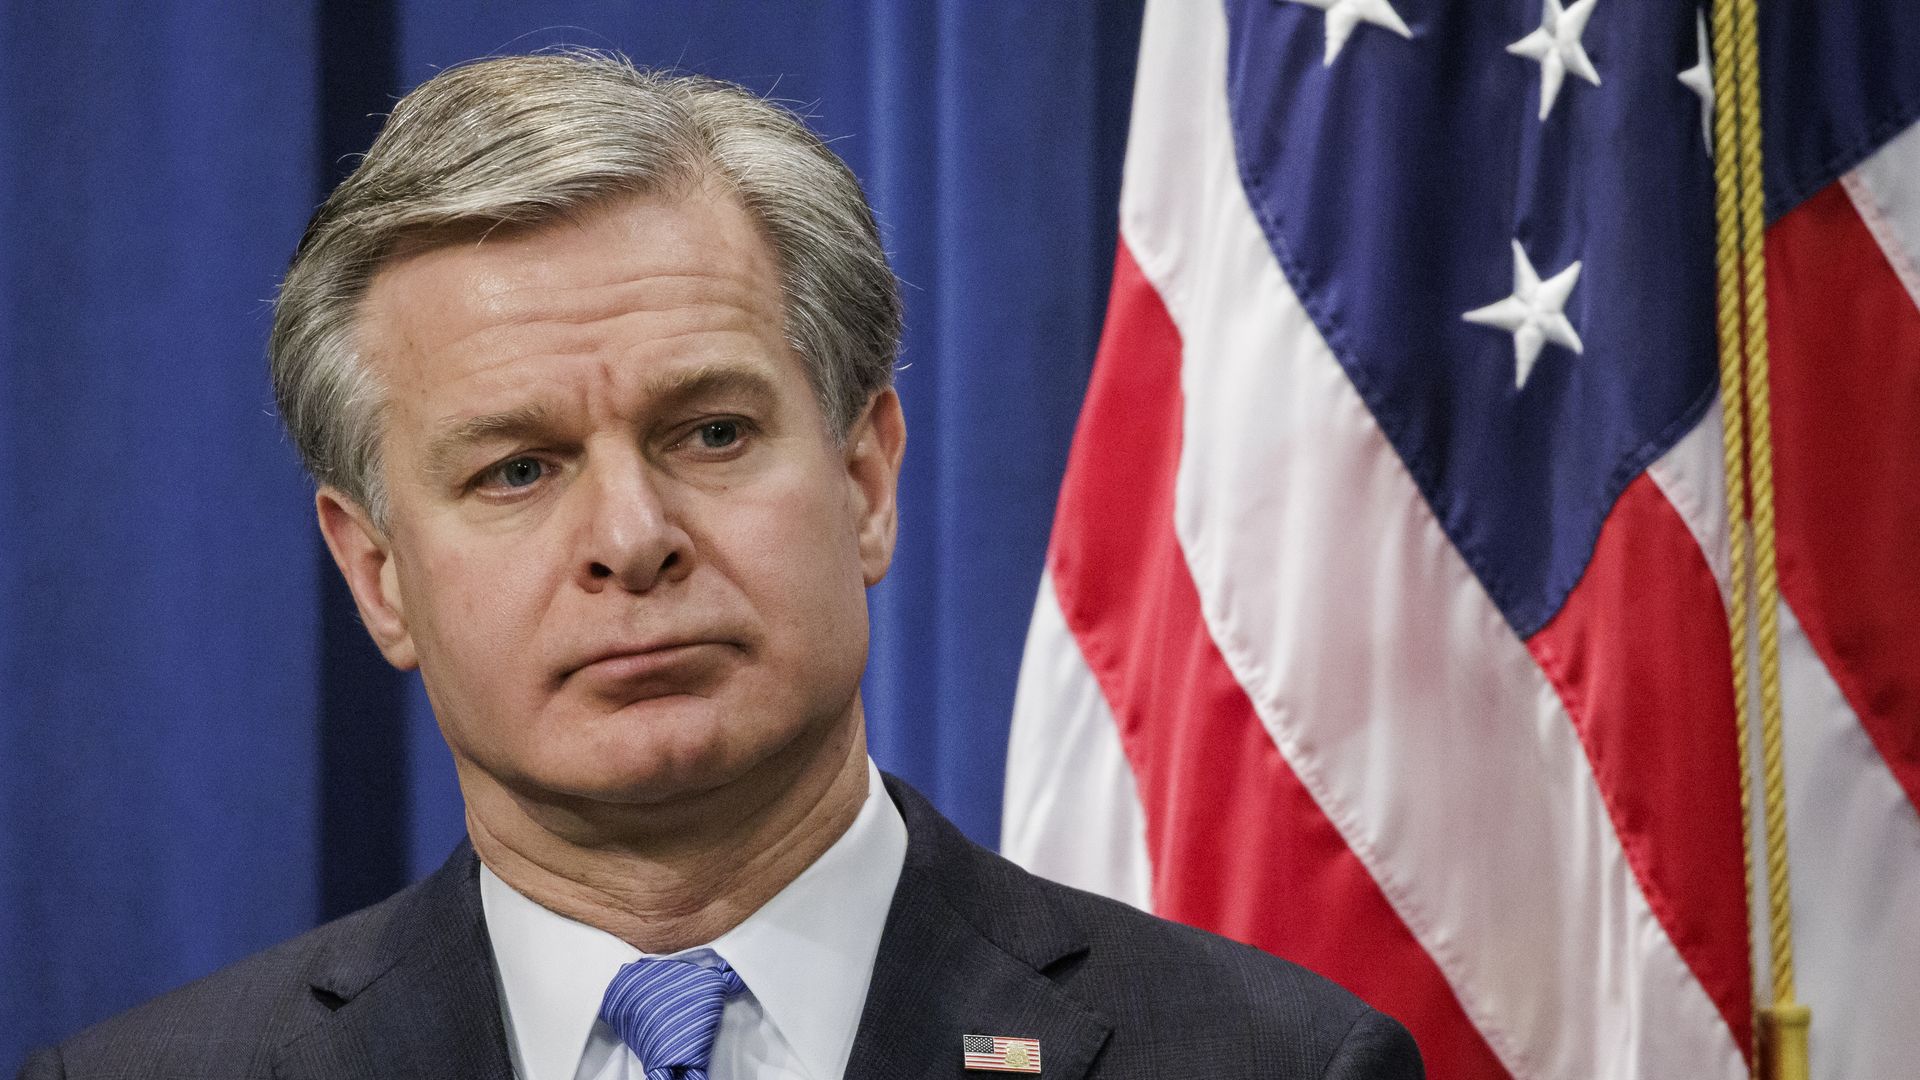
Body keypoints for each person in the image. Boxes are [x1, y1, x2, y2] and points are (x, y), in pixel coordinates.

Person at [18, 53, 1422, 1080]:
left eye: (711, 432)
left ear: (865, 484)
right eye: (517, 470)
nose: (632, 538)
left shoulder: (1274, 1065)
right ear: (379, 575)